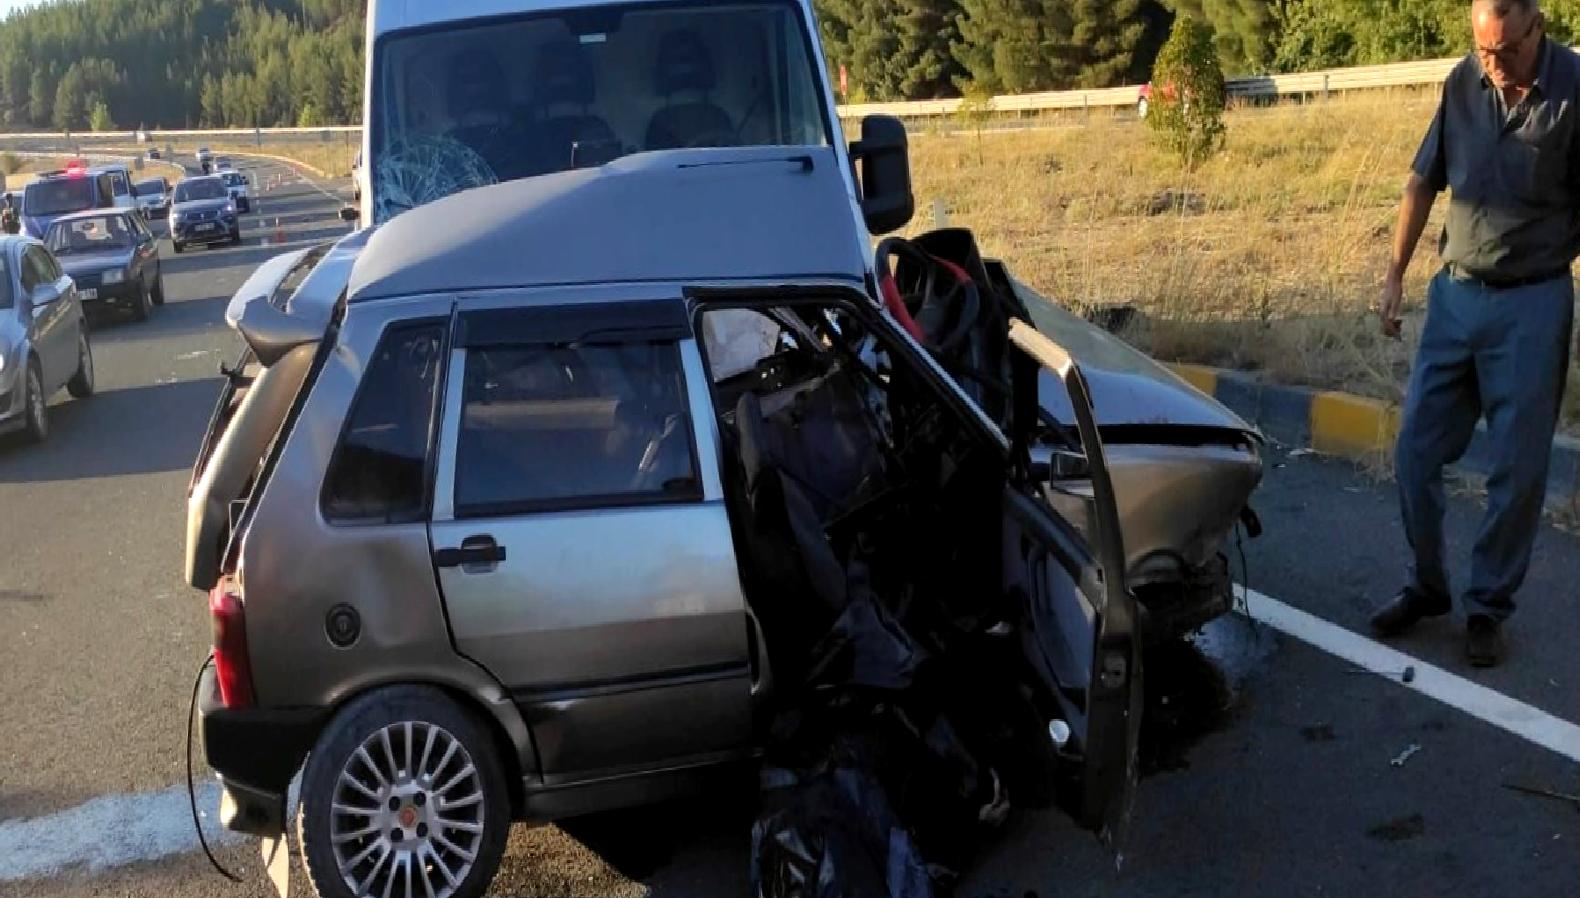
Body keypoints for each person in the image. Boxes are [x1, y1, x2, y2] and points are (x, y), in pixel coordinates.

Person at [1373, 0, 1577, 667]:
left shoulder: (1574, 91)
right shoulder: (1464, 80)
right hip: (1456, 296)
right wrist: (1396, 273)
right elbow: (1422, 179)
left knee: (1517, 472)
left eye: (1506, 51)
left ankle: (1487, 606)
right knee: (1414, 451)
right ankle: (1428, 586)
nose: (1493, 65)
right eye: (1483, 50)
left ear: (1537, 27)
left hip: (1533, 303)